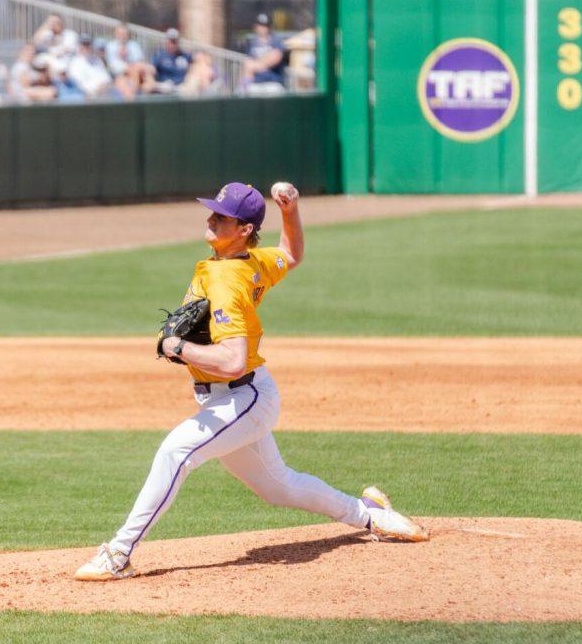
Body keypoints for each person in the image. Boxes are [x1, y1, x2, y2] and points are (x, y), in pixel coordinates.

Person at [74, 182, 428, 581]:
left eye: (221, 216)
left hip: (244, 397)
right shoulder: (252, 262)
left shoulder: (228, 280)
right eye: (212, 211)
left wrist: (178, 347)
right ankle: (370, 514)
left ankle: (119, 553)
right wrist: (290, 211)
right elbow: (291, 255)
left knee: (176, 452)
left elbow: (231, 360)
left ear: (243, 229)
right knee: (279, 487)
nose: (211, 218)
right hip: (233, 398)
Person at [242, 13, 287, 87]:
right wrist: (265, 61)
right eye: (260, 25)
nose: (263, 28)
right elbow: (247, 64)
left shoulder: (276, 41)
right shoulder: (252, 43)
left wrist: (255, 65)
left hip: (273, 83)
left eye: (266, 25)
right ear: (255, 26)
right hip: (256, 83)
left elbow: (274, 59)